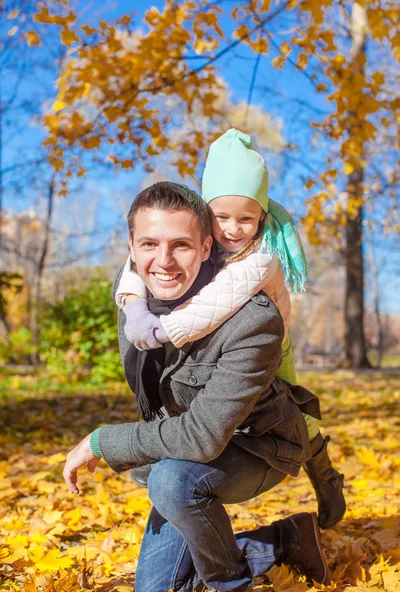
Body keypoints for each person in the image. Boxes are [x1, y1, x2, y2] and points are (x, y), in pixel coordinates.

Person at [63, 182, 330, 591]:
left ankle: (232, 583)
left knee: (172, 483)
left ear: (207, 247)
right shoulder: (133, 299)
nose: (164, 261)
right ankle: (286, 540)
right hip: (180, 457)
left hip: (257, 445)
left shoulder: (254, 321)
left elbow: (203, 437)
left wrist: (103, 442)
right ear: (131, 248)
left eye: (182, 245)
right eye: (150, 244)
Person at [114, 129, 345, 530]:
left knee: (290, 411)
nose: (233, 229)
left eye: (246, 219)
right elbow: (134, 263)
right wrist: (134, 306)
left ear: (262, 219)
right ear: (206, 214)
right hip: (234, 338)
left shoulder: (260, 259)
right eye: (221, 217)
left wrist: (162, 330)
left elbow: (210, 307)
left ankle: (324, 474)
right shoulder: (199, 241)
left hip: (273, 343)